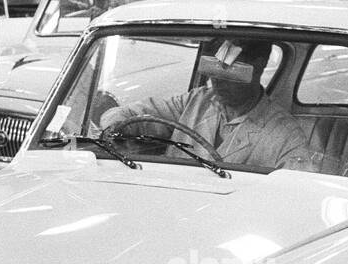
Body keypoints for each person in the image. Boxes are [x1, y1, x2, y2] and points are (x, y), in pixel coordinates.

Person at [99, 38, 312, 171]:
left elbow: (297, 194)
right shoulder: (196, 101)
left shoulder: (285, 136)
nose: (216, 82)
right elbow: (130, 114)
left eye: (229, 73)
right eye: (211, 71)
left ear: (258, 67)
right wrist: (114, 125)